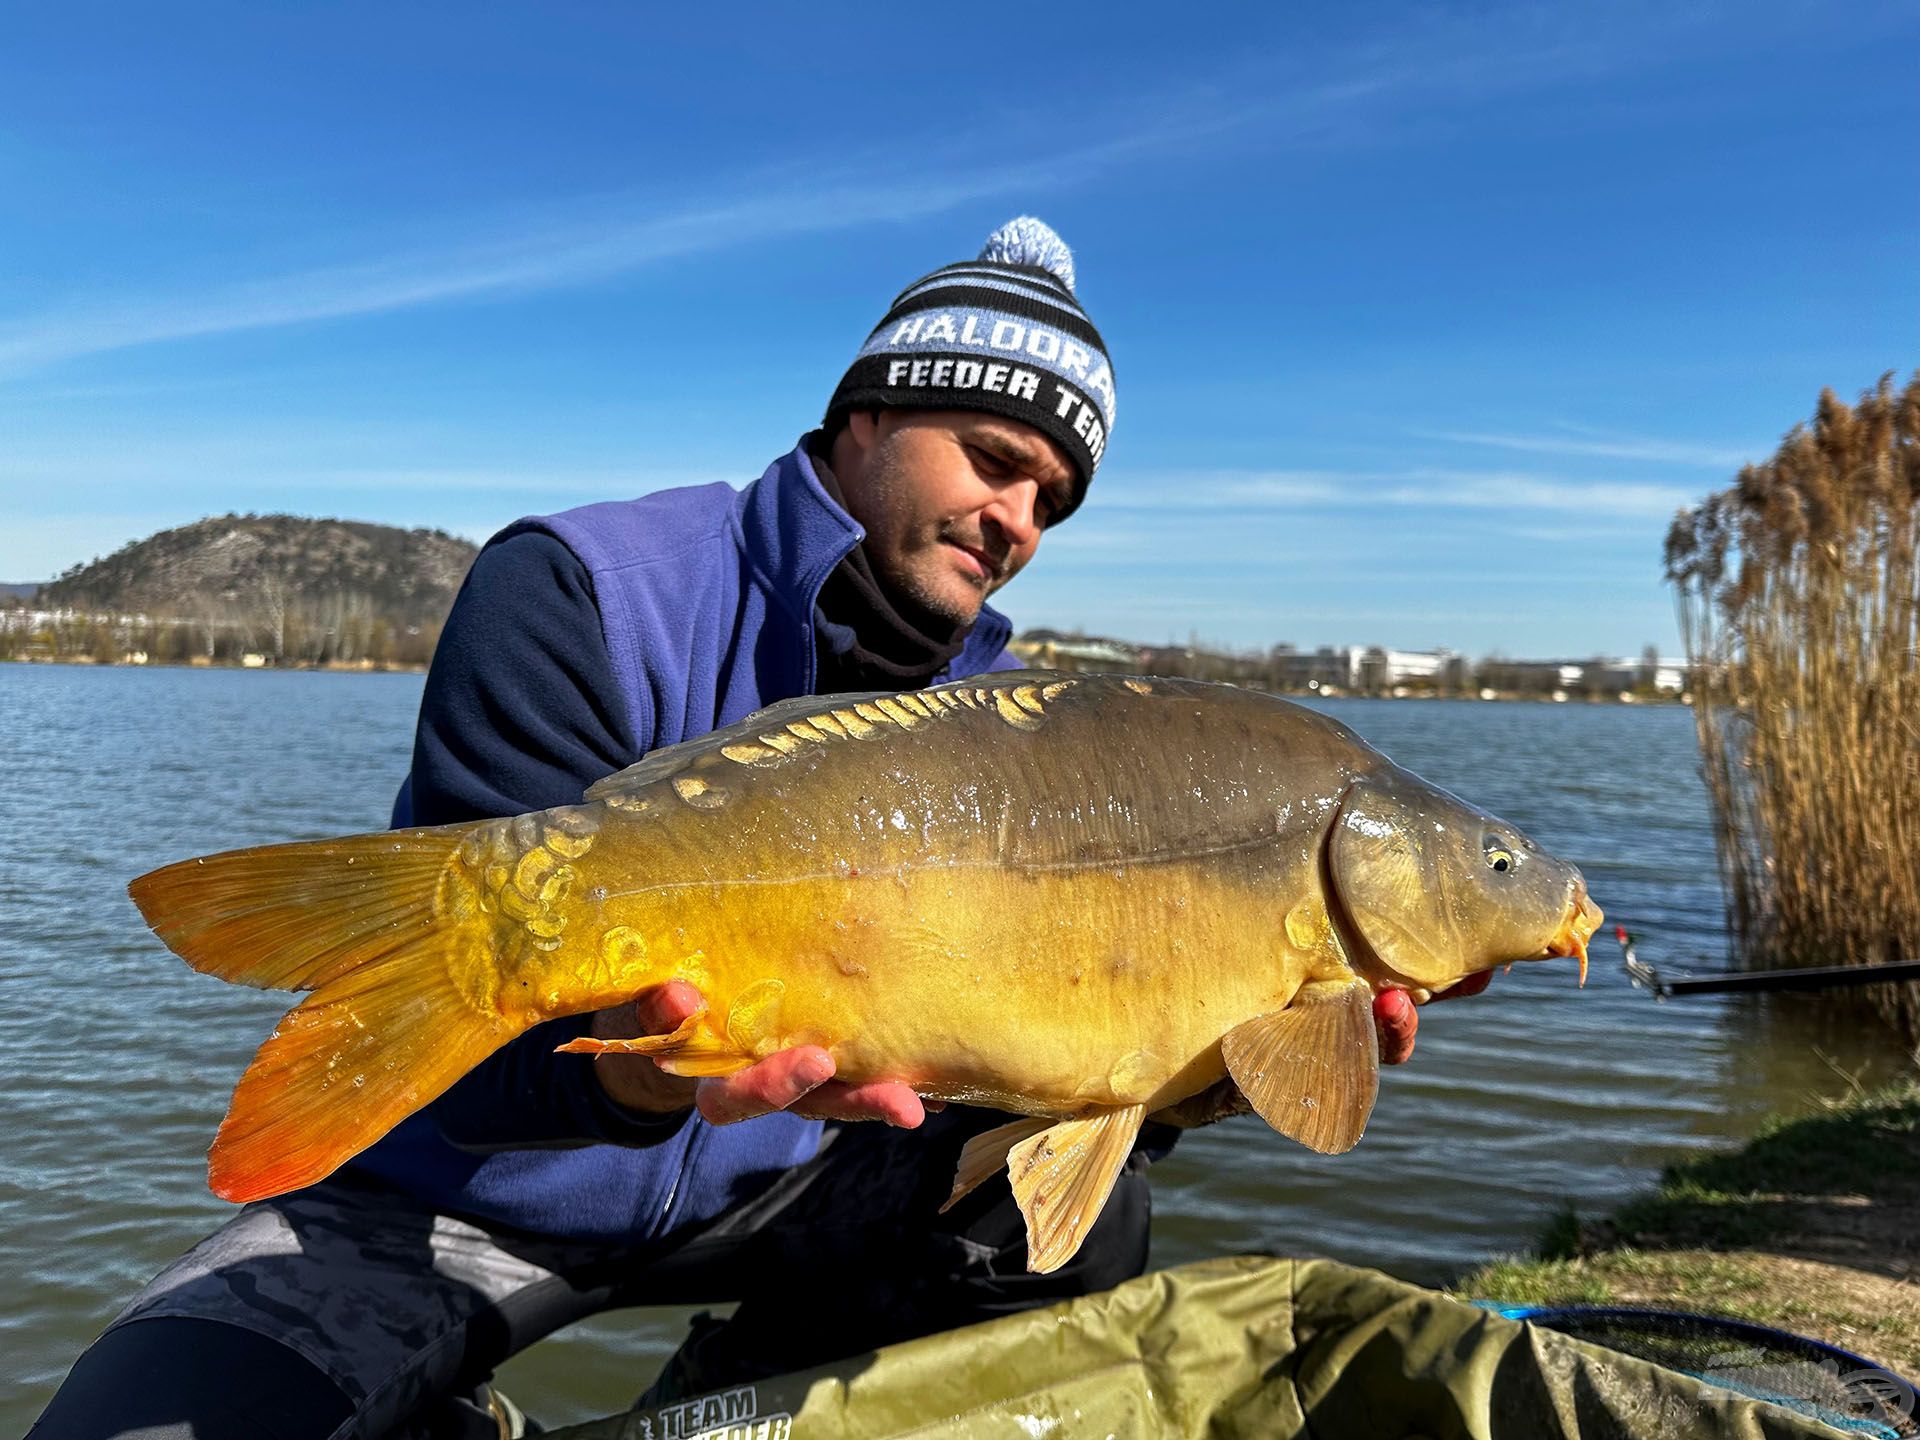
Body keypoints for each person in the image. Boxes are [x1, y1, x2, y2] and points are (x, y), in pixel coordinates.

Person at [34, 217, 1468, 1440]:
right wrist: (656, 1086)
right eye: (988, 455)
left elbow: (1038, 1080)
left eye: (1052, 496)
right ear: (864, 420)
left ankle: (730, 1393)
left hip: (796, 1188)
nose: (1017, 514)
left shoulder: (1038, 730)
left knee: (1084, 1233)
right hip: (469, 1189)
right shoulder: (583, 587)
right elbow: (472, 1088)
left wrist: (1206, 1077)